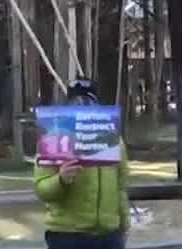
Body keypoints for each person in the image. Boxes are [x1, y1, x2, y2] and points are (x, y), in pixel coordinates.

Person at [34, 80, 130, 249]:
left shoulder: (113, 140)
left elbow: (120, 186)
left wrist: (124, 223)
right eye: (78, 103)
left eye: (88, 102)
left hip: (108, 236)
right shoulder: (54, 139)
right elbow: (42, 190)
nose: (84, 107)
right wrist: (61, 180)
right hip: (67, 235)